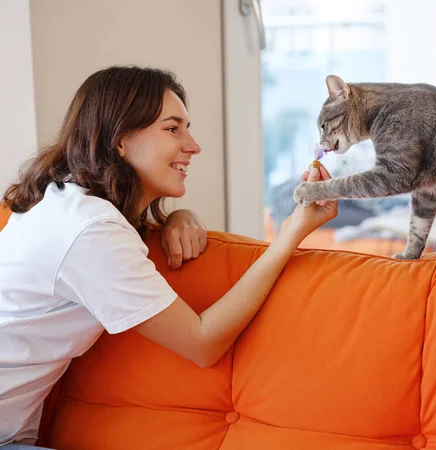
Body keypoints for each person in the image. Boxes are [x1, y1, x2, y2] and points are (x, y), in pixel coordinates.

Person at [0, 65, 337, 448]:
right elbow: (202, 343)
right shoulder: (90, 229)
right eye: (173, 128)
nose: (193, 145)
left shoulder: (65, 202)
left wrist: (178, 216)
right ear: (120, 139)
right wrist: (292, 232)